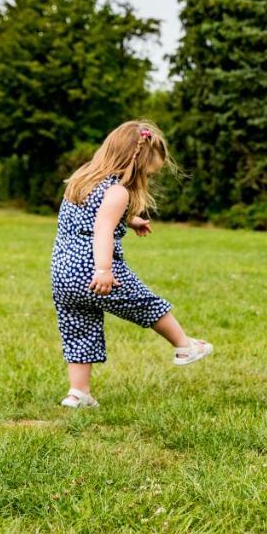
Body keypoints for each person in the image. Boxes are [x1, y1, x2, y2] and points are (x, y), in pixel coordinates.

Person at [50, 120, 212, 408]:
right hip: (94, 270)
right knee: (145, 303)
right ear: (135, 163)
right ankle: (184, 346)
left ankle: (78, 393)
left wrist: (132, 219)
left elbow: (94, 214)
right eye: (148, 174)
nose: (147, 180)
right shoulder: (118, 192)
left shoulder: (82, 178)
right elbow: (101, 229)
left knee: (78, 328)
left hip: (63, 272)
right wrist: (103, 270)